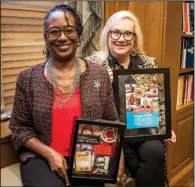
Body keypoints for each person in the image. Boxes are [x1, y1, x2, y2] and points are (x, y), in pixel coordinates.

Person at [9, 5, 124, 187]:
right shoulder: (28, 78)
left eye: (69, 30)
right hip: (41, 158)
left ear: (79, 35)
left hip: (90, 158)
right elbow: (19, 128)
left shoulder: (99, 74)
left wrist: (119, 155)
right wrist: (49, 153)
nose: (62, 37)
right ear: (46, 38)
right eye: (54, 32)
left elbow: (112, 120)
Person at [86, 10, 176, 187]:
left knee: (155, 152)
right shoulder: (93, 65)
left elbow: (158, 101)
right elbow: (88, 108)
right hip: (112, 133)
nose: (122, 38)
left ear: (134, 38)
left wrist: (164, 128)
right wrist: (103, 85)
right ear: (108, 35)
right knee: (135, 163)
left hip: (142, 130)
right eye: (116, 32)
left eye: (128, 33)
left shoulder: (148, 63)